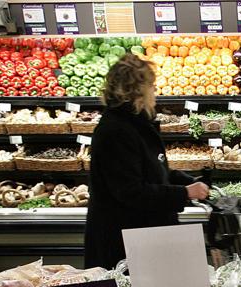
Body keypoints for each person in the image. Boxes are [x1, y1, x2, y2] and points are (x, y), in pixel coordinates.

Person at [84, 53, 209, 269]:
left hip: (143, 238)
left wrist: (186, 181)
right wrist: (185, 193)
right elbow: (131, 192)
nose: (155, 92)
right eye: (151, 86)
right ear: (137, 91)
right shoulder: (116, 132)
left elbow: (152, 170)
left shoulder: (135, 124)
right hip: (124, 247)